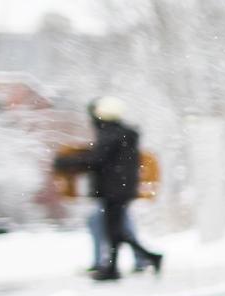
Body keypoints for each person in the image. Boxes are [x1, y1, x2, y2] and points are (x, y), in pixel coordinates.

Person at [56, 96, 162, 281]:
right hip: (119, 189)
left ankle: (121, 265)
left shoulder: (110, 134)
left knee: (114, 230)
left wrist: (68, 162)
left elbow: (97, 160)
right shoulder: (122, 134)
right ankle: (138, 259)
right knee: (115, 229)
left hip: (113, 190)